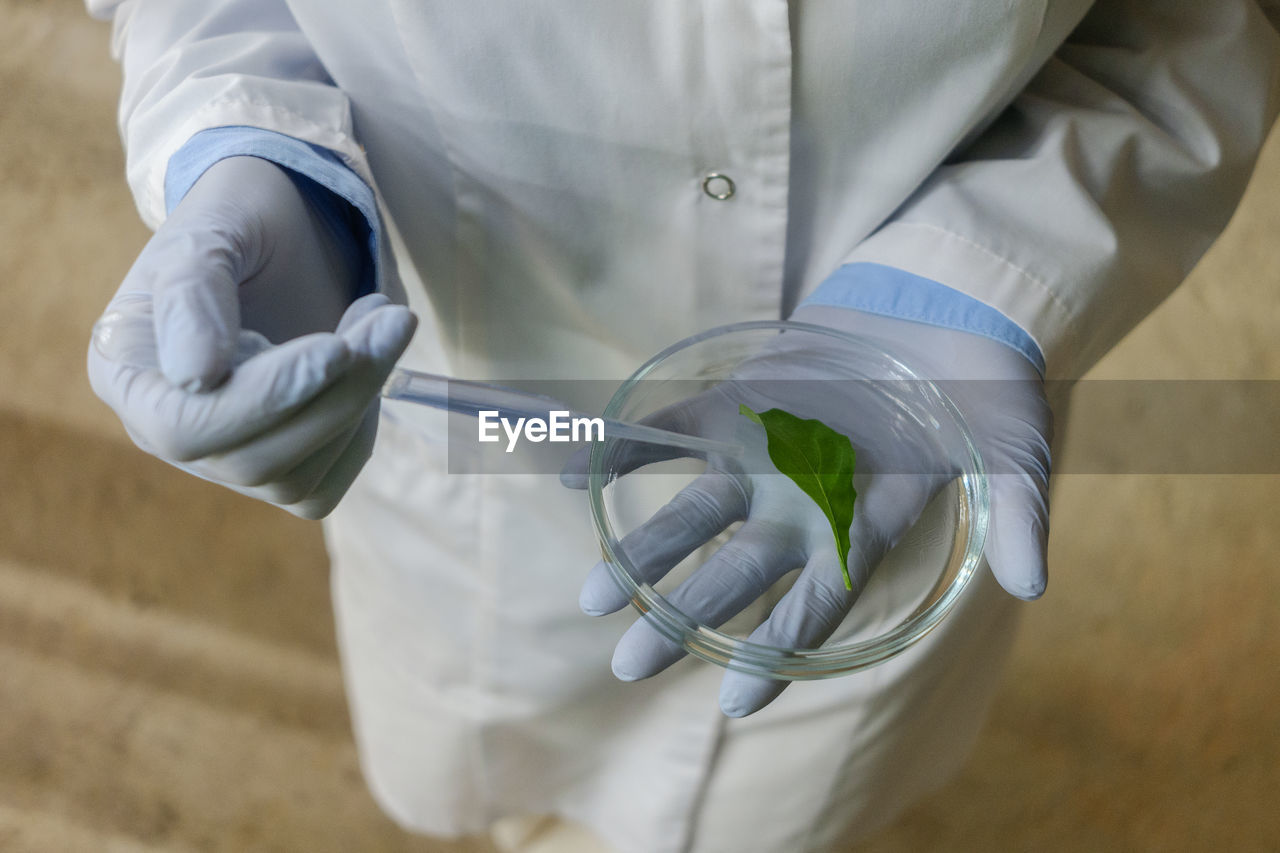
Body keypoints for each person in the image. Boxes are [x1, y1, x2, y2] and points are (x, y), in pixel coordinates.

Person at [84, 2, 1280, 851]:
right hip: (473, 400)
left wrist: (969, 281)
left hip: (905, 431)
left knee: (782, 805)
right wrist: (261, 163)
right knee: (507, 765)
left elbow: (1195, 22)